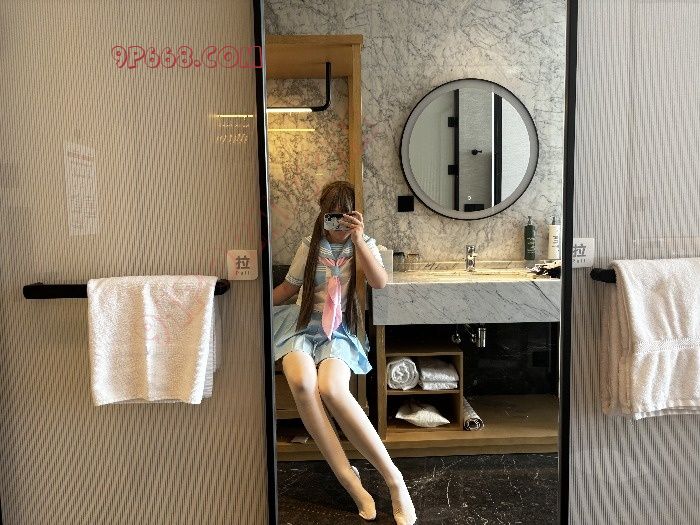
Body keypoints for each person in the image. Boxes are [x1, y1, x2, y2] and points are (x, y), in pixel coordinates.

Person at [272, 180, 417, 524]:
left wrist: (358, 238)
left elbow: (379, 282)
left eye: (344, 215)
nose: (337, 223)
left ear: (354, 215)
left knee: (333, 389)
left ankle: (394, 480)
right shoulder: (309, 246)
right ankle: (350, 481)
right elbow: (289, 288)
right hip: (300, 326)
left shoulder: (364, 245)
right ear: (323, 214)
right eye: (331, 215)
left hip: (340, 331)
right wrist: (249, 303)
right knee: (302, 383)